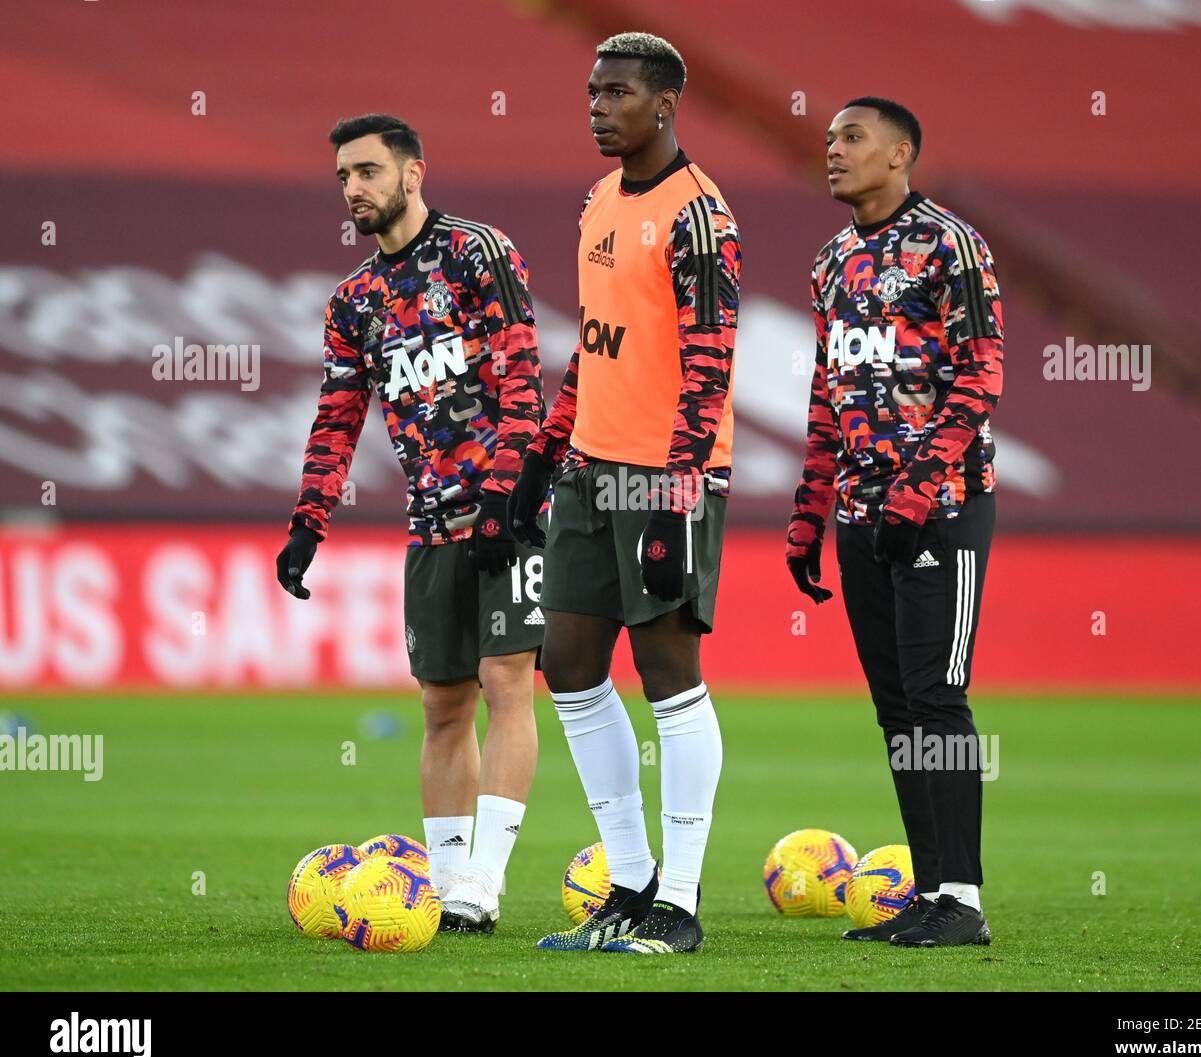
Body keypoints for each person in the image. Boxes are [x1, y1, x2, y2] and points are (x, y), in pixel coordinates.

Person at [276, 113, 545, 933]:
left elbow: (523, 375)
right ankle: (444, 882)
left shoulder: (477, 254)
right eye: (343, 178)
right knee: (441, 706)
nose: (354, 189)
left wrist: (505, 498)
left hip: (510, 514)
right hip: (429, 523)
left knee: (507, 685)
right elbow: (337, 418)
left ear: (413, 173)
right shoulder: (353, 302)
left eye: (366, 172)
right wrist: (307, 523)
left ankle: (484, 885)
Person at [508, 32, 742, 954]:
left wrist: (680, 486)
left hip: (663, 474)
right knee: (566, 664)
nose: (598, 108)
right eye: (593, 93)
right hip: (590, 469)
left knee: (669, 678)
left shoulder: (698, 214)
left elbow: (713, 356)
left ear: (665, 105)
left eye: (617, 94)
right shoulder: (599, 201)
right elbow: (596, 342)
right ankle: (630, 882)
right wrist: (547, 447)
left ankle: (678, 906)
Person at [787, 98, 1003, 947]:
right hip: (860, 516)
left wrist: (916, 492)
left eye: (852, 138)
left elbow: (981, 375)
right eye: (830, 138)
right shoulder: (833, 261)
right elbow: (826, 392)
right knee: (896, 709)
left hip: (942, 511)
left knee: (938, 698)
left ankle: (965, 898)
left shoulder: (951, 246)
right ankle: (927, 892)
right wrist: (809, 511)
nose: (832, 151)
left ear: (900, 154)